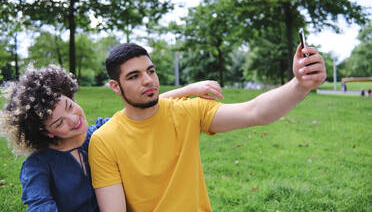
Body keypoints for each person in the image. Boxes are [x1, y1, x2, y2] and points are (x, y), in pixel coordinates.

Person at [88, 43, 327, 212]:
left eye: (151, 71)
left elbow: (255, 111)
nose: (148, 80)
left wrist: (300, 84)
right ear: (115, 87)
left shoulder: (188, 111)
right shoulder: (105, 140)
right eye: (134, 76)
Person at [0, 64, 223, 212]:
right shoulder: (38, 165)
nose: (73, 119)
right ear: (47, 132)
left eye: (69, 106)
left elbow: (139, 111)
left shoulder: (102, 134)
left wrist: (189, 89)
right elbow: (40, 206)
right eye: (58, 123)